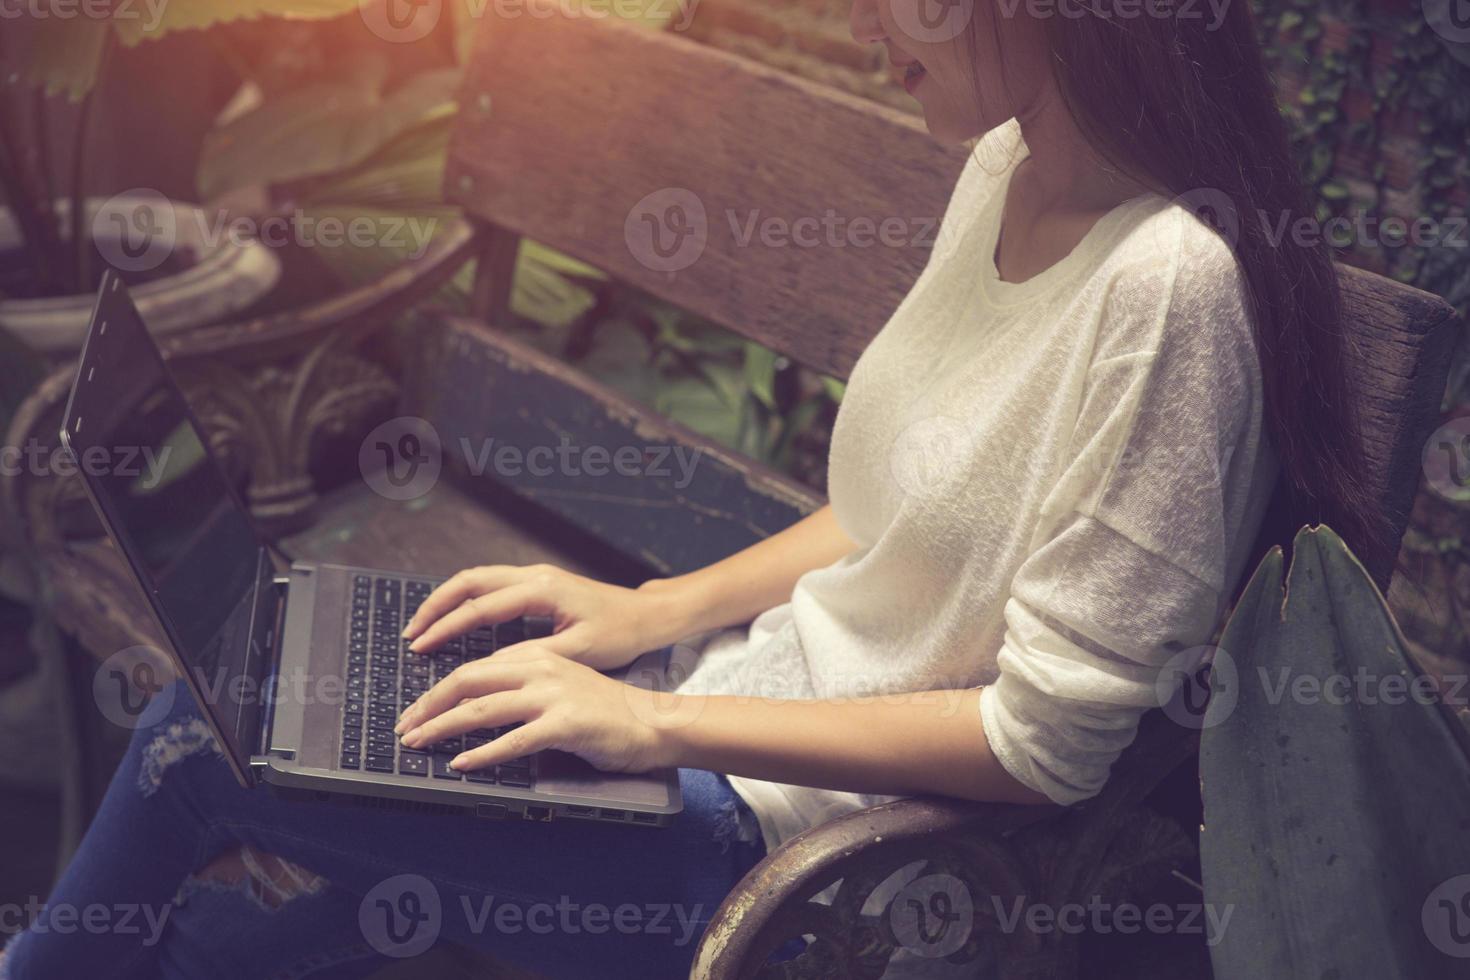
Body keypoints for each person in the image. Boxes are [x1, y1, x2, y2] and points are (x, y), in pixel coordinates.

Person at [2, 0, 1386, 975]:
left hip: (799, 874)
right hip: (708, 724)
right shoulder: (1006, 166)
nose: (862, 25)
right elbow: (897, 509)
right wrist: (640, 612)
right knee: (295, 790)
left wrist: (657, 731)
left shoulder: (1168, 298)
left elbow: (1040, 744)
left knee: (207, 741)